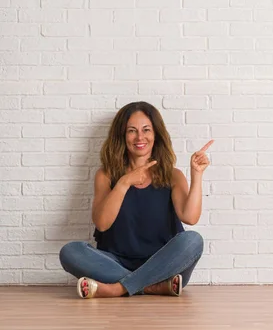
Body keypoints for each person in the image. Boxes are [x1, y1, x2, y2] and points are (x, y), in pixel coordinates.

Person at [59, 101, 211, 298]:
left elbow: (190, 217)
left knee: (193, 241)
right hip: (114, 263)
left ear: (156, 134)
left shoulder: (173, 175)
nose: (140, 137)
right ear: (122, 136)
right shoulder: (106, 175)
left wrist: (196, 174)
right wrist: (124, 183)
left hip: (164, 263)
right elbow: (102, 224)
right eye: (132, 131)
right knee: (70, 252)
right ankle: (151, 286)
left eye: (146, 130)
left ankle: (118, 288)